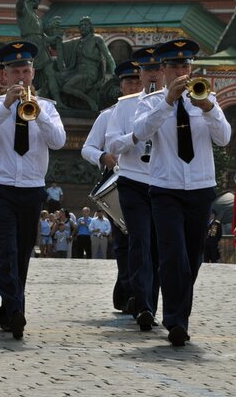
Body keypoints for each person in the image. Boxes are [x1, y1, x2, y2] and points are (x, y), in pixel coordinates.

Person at [133, 38, 231, 346]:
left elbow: (224, 138)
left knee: (193, 258)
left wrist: (210, 108)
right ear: (163, 71)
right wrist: (167, 103)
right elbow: (139, 133)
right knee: (173, 254)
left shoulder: (206, 99)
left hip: (201, 189)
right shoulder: (150, 102)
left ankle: (177, 313)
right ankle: (177, 320)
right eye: (175, 66)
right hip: (166, 190)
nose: (182, 71)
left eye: (186, 65)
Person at [0, 41, 65, 340]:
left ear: (33, 73)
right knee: (5, 250)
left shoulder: (48, 108)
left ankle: (10, 308)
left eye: (25, 71)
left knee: (23, 253)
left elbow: (58, 141)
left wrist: (38, 112)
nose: (20, 76)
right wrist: (5, 107)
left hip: (31, 189)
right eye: (15, 71)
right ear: (5, 74)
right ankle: (16, 310)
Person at [106, 48, 164, 329]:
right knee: (140, 242)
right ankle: (143, 306)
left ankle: (152, 301)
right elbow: (113, 144)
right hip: (133, 181)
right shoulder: (125, 106)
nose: (152, 75)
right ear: (141, 74)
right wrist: (136, 136)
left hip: (165, 182)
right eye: (147, 70)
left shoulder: (177, 102)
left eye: (157, 69)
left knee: (159, 248)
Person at [84, 60, 140, 312]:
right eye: (129, 81)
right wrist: (102, 157)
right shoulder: (108, 115)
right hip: (116, 183)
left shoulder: (156, 109)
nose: (134, 85)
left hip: (147, 182)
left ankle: (137, 292)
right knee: (124, 240)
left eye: (138, 80)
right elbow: (87, 147)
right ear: (121, 85)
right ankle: (127, 290)